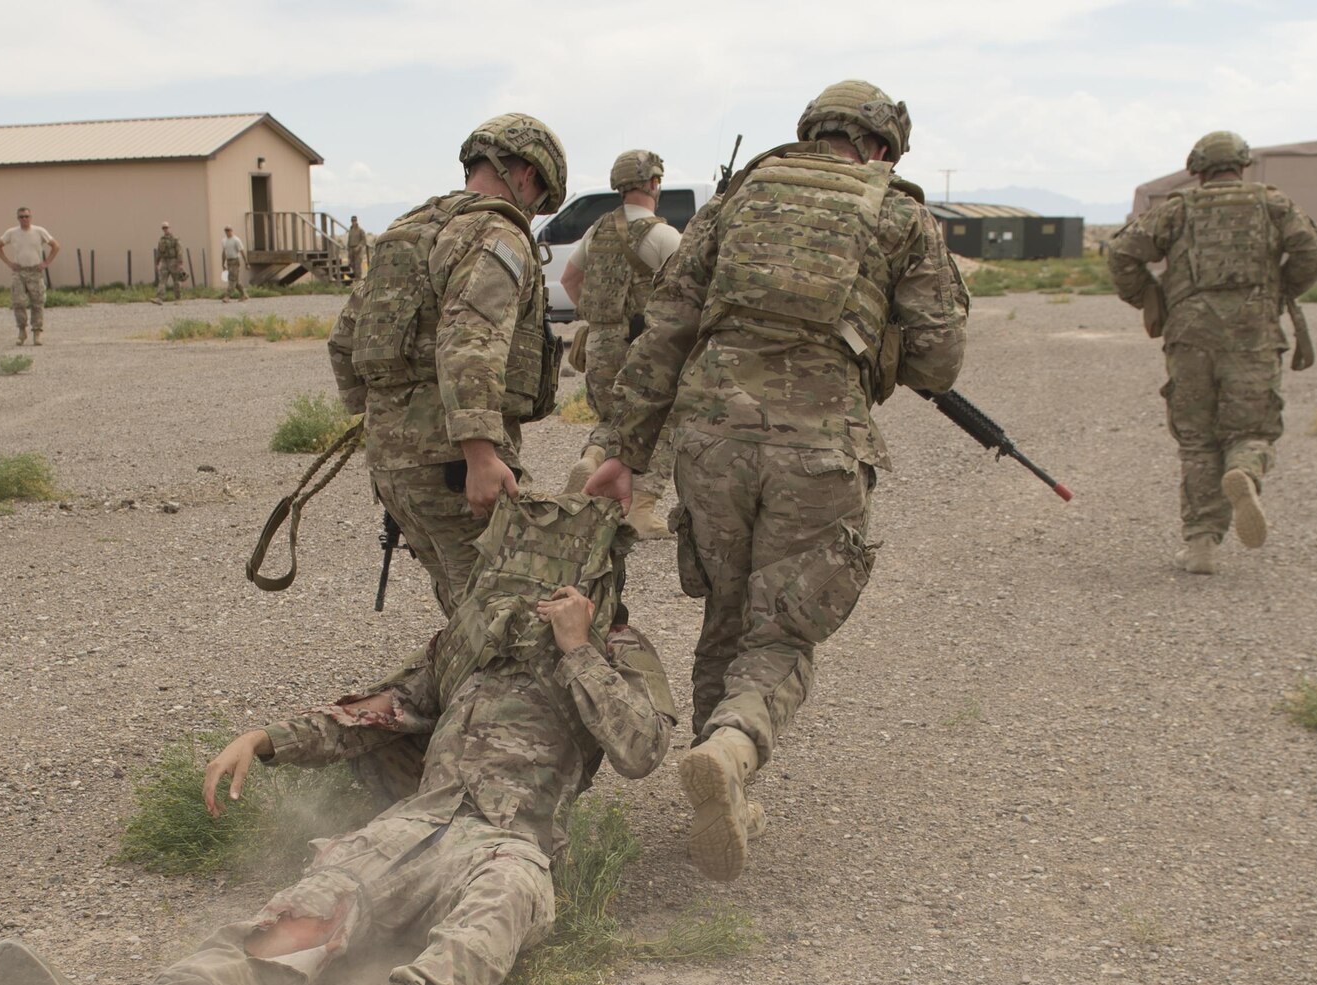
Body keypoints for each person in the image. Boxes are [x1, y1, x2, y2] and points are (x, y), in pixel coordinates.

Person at [0, 496, 676, 985]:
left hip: (511, 841)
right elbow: (378, 711)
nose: (526, 595)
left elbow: (641, 748)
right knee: (294, 922)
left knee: (499, 906)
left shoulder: (619, 650)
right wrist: (265, 740)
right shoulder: (468, 644)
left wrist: (577, 648)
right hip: (408, 827)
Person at [582, 80, 968, 883]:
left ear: (812, 132)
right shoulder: (901, 214)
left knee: (726, 611)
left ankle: (713, 773)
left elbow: (667, 326)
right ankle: (733, 747)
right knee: (783, 630)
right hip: (819, 448)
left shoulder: (735, 200)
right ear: (884, 147)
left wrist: (622, 448)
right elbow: (938, 358)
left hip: (712, 442)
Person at [327, 114, 568, 614]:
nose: (535, 208)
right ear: (526, 174)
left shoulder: (406, 232)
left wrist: (382, 420)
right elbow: (471, 341)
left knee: (466, 606)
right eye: (541, 196)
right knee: (503, 617)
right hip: (454, 464)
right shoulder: (496, 233)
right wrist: (480, 455)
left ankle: (460, 685)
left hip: (394, 464)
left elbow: (343, 339)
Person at [1107, 131, 1317, 574]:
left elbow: (1121, 253)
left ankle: (1201, 544)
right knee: (1252, 430)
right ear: (1243, 165)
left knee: (1197, 439)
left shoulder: (1177, 209)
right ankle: (1245, 470)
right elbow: (1311, 253)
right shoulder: (1273, 204)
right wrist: (1280, 291)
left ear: (1198, 168)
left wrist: (1152, 299)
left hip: (1190, 336)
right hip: (1254, 334)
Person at [561, 149, 682, 539]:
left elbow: (569, 279)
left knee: (610, 417)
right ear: (653, 183)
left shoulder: (596, 231)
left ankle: (593, 459)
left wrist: (597, 318)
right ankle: (641, 510)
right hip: (645, 347)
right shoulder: (662, 235)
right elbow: (688, 294)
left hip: (598, 341)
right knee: (661, 422)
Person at [0, 207, 58, 346]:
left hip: (35, 271)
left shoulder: (39, 231)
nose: (24, 219)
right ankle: (22, 331)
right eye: (21, 217)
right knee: (18, 302)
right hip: (19, 272)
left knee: (37, 303)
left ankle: (37, 333)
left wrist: (46, 263)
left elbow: (55, 246)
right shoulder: (12, 233)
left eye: (26, 216)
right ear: (18, 218)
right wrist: (9, 263)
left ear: (31, 217)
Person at [153, 224, 186, 303]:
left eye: (166, 228)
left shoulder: (175, 239)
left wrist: (180, 263)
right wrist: (156, 263)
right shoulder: (161, 240)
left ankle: (178, 298)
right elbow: (159, 252)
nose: (165, 229)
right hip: (164, 262)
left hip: (173, 261)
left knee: (176, 280)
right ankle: (159, 298)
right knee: (162, 280)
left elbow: (179, 251)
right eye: (164, 228)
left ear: (169, 228)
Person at [219, 226, 249, 301]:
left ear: (232, 231)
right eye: (226, 230)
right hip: (229, 261)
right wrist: (223, 263)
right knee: (236, 280)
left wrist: (246, 262)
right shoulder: (224, 241)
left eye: (229, 230)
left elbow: (242, 251)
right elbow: (224, 252)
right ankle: (244, 294)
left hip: (235, 261)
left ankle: (227, 296)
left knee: (232, 279)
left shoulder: (236, 240)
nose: (227, 232)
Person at [346, 215, 369, 283]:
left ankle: (359, 280)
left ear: (357, 221)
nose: (354, 222)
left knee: (357, 265)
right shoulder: (350, 230)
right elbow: (349, 240)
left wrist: (359, 246)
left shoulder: (360, 230)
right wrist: (348, 248)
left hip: (358, 250)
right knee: (352, 264)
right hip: (351, 249)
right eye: (352, 221)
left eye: (355, 220)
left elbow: (364, 240)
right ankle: (355, 278)